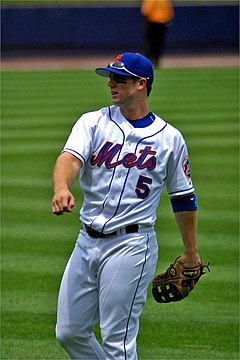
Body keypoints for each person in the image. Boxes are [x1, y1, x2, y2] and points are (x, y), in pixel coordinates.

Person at [51, 52, 201, 360]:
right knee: (69, 332)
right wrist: (61, 186)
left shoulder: (170, 139)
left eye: (120, 78)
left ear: (141, 84)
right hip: (85, 242)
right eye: (110, 77)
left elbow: (183, 197)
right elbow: (69, 158)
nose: (111, 84)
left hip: (131, 246)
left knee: (118, 343)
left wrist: (191, 252)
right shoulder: (92, 122)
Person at [141, 0, 174, 67]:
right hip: (154, 23)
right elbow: (146, 11)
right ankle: (151, 60)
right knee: (154, 43)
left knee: (155, 43)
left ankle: (154, 60)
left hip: (157, 23)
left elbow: (145, 11)